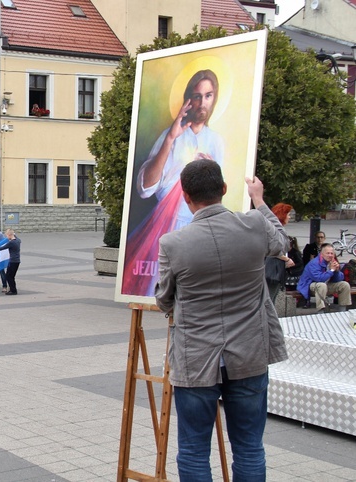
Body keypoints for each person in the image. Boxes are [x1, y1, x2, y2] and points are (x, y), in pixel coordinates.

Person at [155, 159, 288, 481]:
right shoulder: (255, 224)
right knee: (249, 448)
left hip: (196, 359)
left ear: (185, 196)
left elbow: (163, 299)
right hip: (250, 355)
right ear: (225, 189)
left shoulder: (173, 243)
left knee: (193, 450)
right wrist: (258, 199)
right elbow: (281, 242)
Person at [125, 70, 225, 297]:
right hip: (167, 225)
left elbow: (220, 191)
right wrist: (170, 138)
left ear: (215, 99)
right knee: (159, 287)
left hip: (202, 228)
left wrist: (211, 173)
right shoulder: (171, 135)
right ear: (188, 99)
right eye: (197, 96)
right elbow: (145, 188)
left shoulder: (217, 142)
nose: (202, 102)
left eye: (208, 95)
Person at [297, 243, 352, 311]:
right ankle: (320, 310)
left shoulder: (332, 262)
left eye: (332, 253)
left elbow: (339, 279)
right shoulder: (314, 263)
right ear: (321, 254)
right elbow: (319, 279)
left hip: (326, 285)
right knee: (321, 285)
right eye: (327, 253)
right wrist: (331, 270)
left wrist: (337, 271)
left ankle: (342, 310)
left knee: (344, 285)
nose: (330, 255)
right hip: (309, 286)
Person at [265, 203, 293, 302]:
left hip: (276, 269)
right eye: (288, 214)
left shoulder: (275, 228)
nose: (289, 217)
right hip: (272, 269)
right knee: (270, 299)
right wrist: (287, 259)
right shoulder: (275, 229)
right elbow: (272, 248)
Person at [2, 229, 21, 296]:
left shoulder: (11, 243)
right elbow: (17, 237)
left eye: (7, 235)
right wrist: (13, 234)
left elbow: (2, 248)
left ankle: (13, 290)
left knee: (8, 276)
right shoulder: (18, 240)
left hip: (12, 261)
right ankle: (13, 289)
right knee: (12, 276)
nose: (7, 237)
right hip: (17, 261)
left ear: (9, 235)